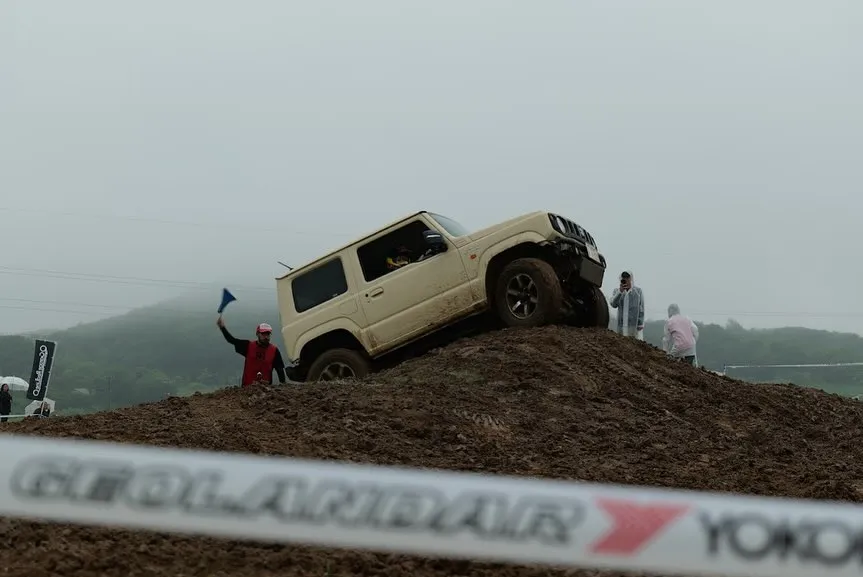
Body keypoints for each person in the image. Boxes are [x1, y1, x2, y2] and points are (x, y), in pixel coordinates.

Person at [217, 316, 287, 387]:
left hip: (266, 391)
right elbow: (232, 340)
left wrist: (283, 385)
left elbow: (279, 370)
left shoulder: (274, 350)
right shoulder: (248, 346)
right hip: (247, 389)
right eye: (263, 334)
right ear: (257, 334)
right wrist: (222, 327)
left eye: (268, 334)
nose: (266, 337)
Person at [610, 270, 645, 340]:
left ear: (631, 279)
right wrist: (620, 292)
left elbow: (641, 308)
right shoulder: (617, 291)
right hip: (621, 326)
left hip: (633, 326)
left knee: (633, 344)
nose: (626, 280)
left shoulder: (638, 292)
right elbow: (613, 304)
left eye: (627, 278)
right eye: (624, 278)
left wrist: (640, 323)